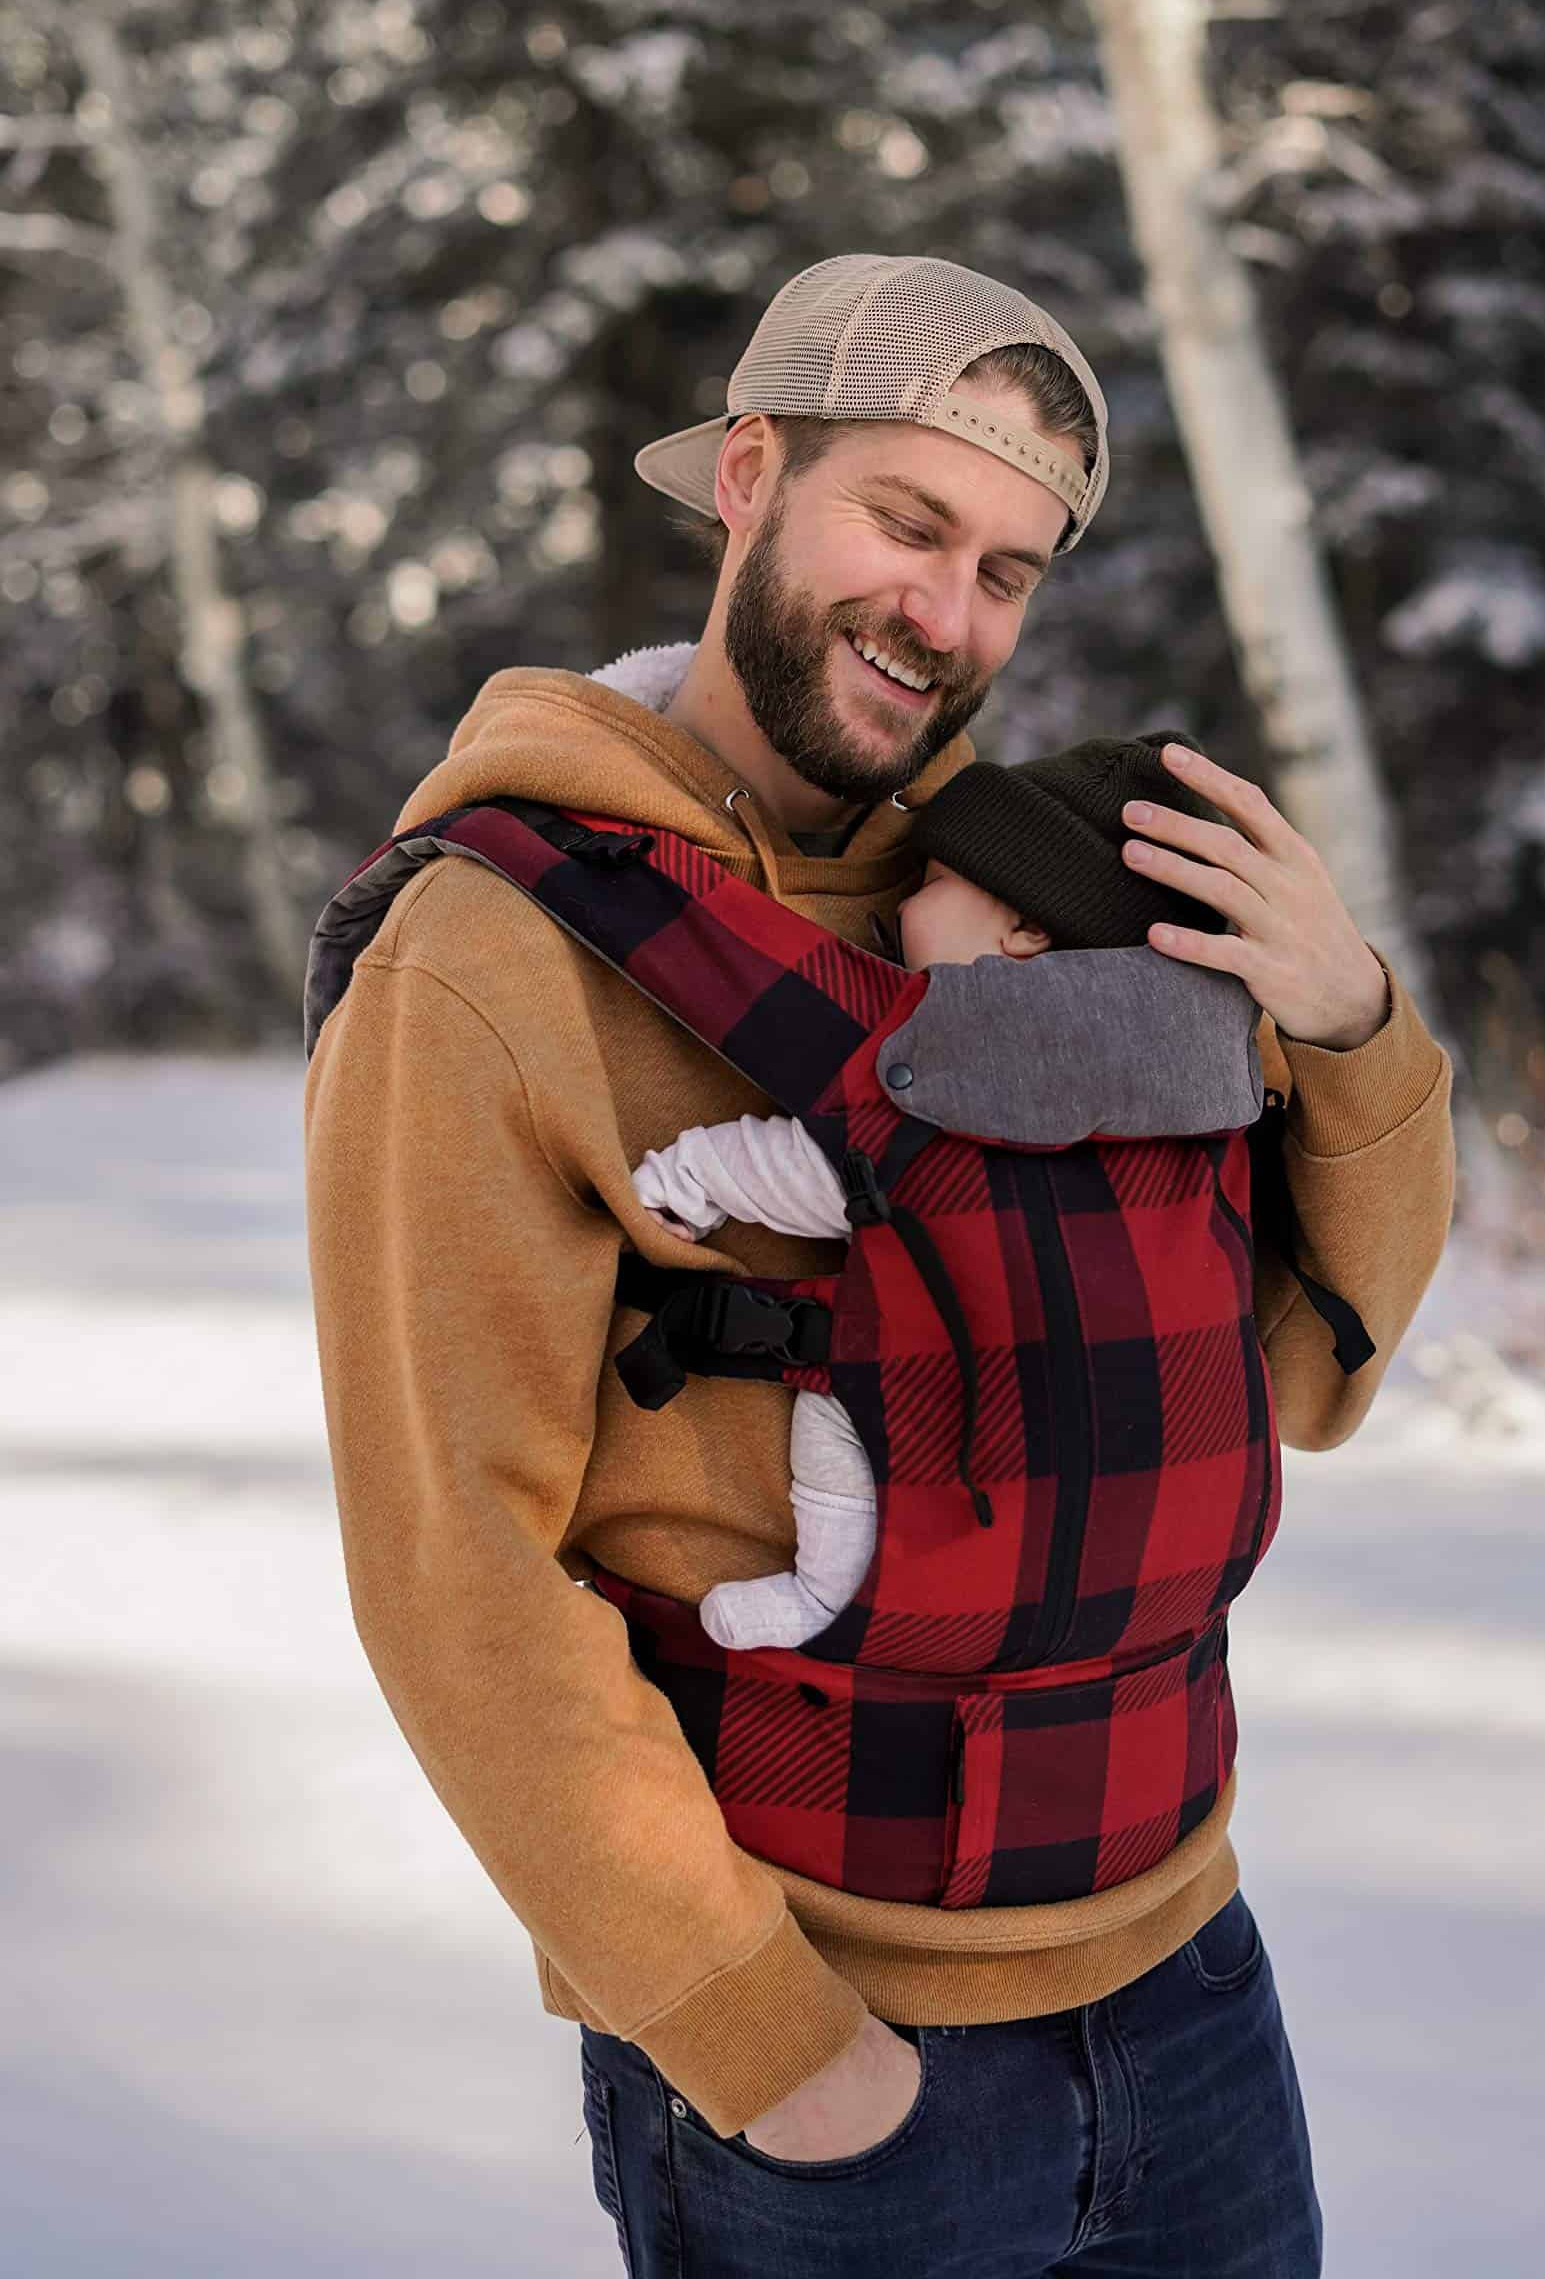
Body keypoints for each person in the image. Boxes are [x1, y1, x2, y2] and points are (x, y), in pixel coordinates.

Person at [302, 252, 1455, 2277]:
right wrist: (764, 2039)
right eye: (904, 522)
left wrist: (1349, 1021)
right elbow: (450, 1564)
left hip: (1184, 1977)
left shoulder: (1038, 884)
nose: (947, 613)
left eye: (1006, 566)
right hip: (834, 2068)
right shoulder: (489, 949)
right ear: (747, 472)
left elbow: (1295, 1373)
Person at [625, 732, 1265, 1657]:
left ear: (1027, 930)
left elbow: (835, 1167)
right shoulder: (1205, 1069)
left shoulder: (971, 1050)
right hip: (1150, 1474)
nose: (898, 905)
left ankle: (823, 1594)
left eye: (928, 883)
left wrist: (683, 1179)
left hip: (968, 1427)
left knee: (841, 1409)